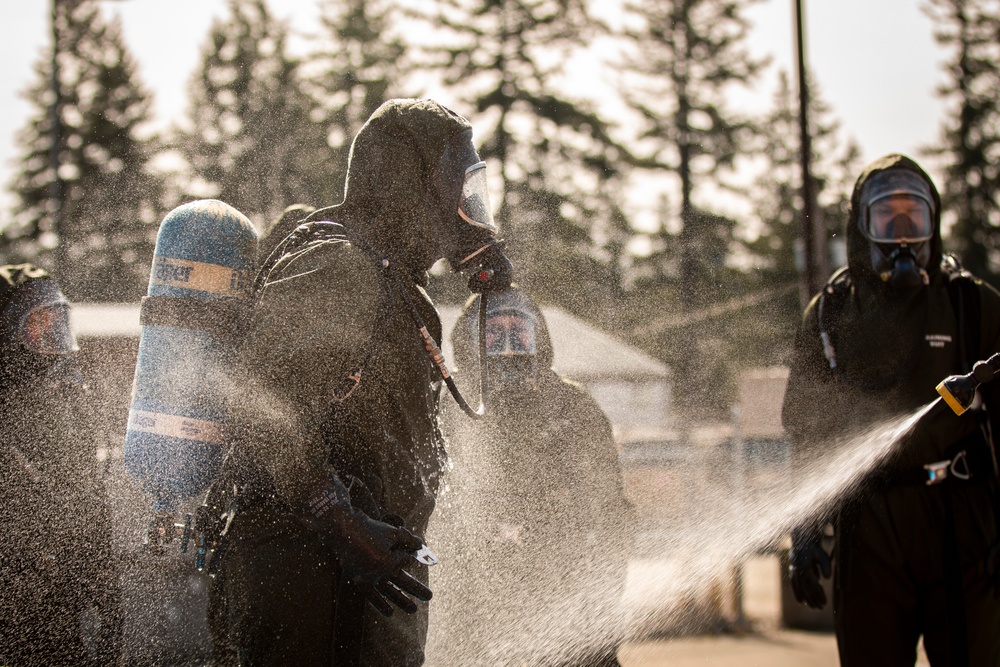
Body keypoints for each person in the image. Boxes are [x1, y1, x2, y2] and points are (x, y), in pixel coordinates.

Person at [206, 98, 514, 666]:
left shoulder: (399, 284)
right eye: (457, 188)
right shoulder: (342, 264)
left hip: (362, 587)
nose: (467, 208)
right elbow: (256, 399)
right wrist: (342, 518)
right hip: (303, 587)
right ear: (410, 183)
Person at [782, 154, 1000, 666]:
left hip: (961, 521)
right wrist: (806, 530)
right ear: (862, 231)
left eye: (914, 220)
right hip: (869, 528)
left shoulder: (971, 304)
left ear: (934, 225)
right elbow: (807, 433)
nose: (903, 237)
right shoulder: (830, 315)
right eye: (887, 221)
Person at [426, 286, 635, 667]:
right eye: (494, 332)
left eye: (518, 330)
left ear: (539, 336)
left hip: (564, 587)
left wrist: (604, 589)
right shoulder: (443, 403)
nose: (508, 345)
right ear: (470, 341)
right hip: (469, 600)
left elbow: (609, 508)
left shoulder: (573, 405)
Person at [0, 263, 121, 666]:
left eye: (58, 322)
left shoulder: (66, 397)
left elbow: (87, 492)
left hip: (59, 600)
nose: (54, 336)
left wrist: (104, 579)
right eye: (40, 324)